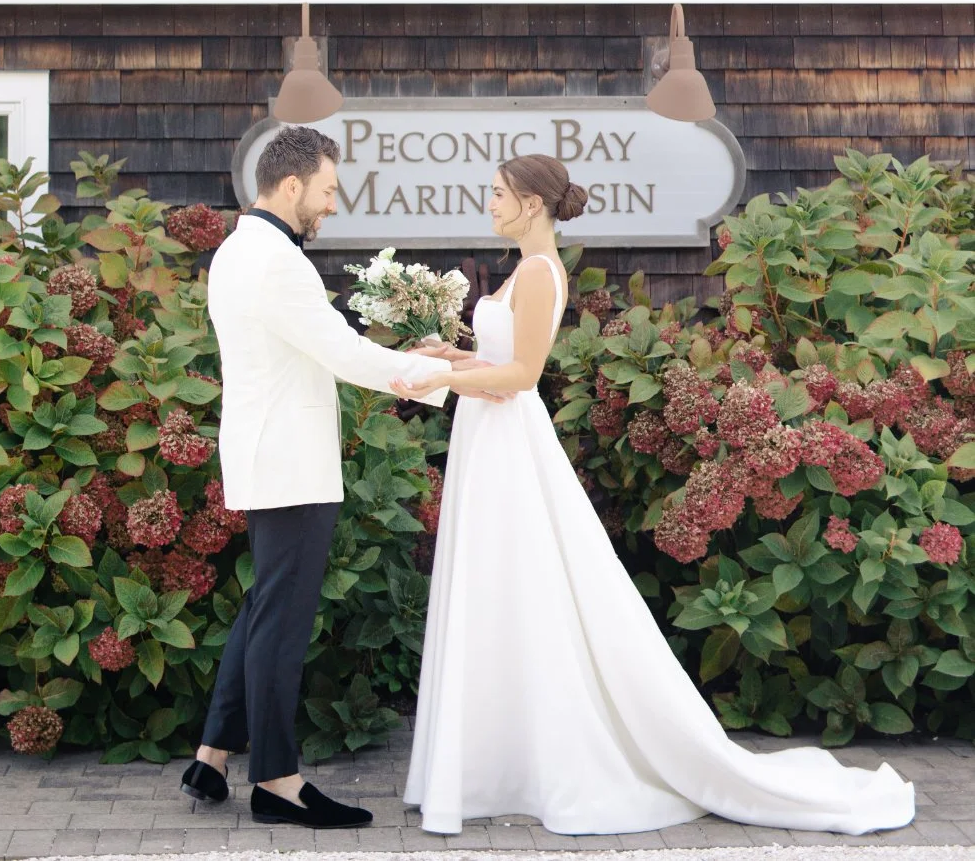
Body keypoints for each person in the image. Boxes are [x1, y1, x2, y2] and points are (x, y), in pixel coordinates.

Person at [390, 152, 917, 838]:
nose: (488, 203)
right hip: (487, 440)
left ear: (530, 202)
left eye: (496, 194)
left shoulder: (542, 272)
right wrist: (445, 359)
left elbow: (522, 375)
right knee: (495, 591)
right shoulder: (524, 269)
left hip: (507, 440)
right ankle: (487, 763)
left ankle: (527, 762)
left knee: (525, 588)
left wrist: (435, 381)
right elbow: (496, 364)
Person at [179, 125, 456, 830]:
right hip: (291, 465)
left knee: (264, 607)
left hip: (264, 453)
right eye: (329, 190)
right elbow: (343, 355)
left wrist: (406, 353)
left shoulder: (238, 251)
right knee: (281, 618)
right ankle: (276, 781)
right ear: (293, 184)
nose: (334, 204)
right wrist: (447, 374)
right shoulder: (277, 261)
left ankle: (212, 755)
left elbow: (315, 347)